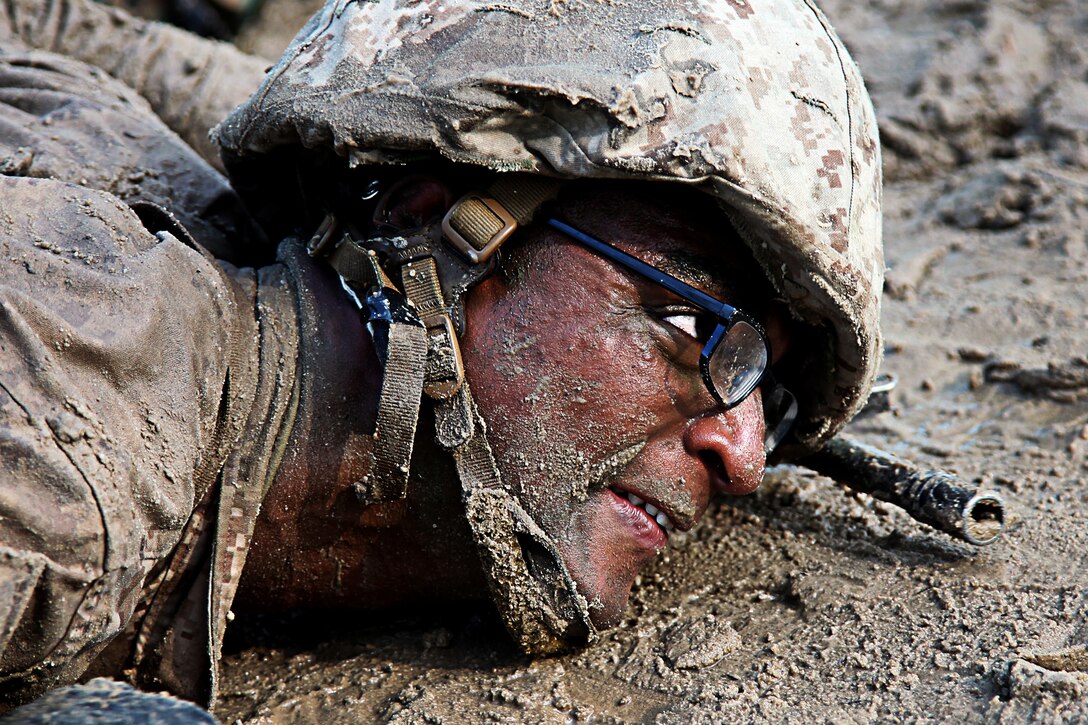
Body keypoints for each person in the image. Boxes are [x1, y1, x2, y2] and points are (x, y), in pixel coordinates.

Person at [0, 0, 884, 712]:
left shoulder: (283, 159)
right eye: (692, 329)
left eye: (770, 382)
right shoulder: (65, 462)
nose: (746, 459)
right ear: (433, 228)